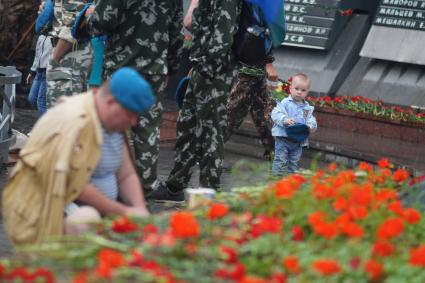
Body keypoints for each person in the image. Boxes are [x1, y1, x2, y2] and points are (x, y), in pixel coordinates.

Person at [2, 67, 155, 246]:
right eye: (131, 114)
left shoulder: (112, 123)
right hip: (47, 213)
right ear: (111, 103)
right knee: (85, 221)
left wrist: (139, 209)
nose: (134, 122)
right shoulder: (73, 121)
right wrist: (123, 212)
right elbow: (74, 185)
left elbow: (126, 175)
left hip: (99, 211)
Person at [87, 0, 183, 196]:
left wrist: (90, 15)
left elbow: (102, 22)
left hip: (121, 67)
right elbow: (176, 34)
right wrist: (171, 67)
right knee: (148, 129)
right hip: (155, 69)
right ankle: (144, 187)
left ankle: (107, 183)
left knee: (111, 126)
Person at [151, 0, 242, 202]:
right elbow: (195, 24)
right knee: (188, 127)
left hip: (214, 72)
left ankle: (209, 191)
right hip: (202, 68)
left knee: (211, 130)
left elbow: (223, 38)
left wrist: (206, 67)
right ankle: (175, 186)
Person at [225, 2, 282, 161]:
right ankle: (208, 153)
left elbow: (264, 28)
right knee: (235, 112)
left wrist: (268, 61)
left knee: (260, 109)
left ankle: (276, 152)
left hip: (251, 59)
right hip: (245, 59)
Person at [44, 0, 93, 107]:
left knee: (62, 114)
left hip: (68, 57)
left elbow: (71, 30)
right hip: (70, 56)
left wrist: (54, 60)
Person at [271, 73, 317, 176]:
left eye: (303, 90)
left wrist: (310, 126)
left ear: (307, 92)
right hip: (283, 138)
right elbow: (275, 113)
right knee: (280, 160)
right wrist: (284, 119)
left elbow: (311, 119)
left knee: (294, 162)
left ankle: (291, 181)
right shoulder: (285, 103)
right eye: (297, 89)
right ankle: (275, 180)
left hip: (298, 141)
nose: (299, 92)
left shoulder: (306, 108)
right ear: (290, 89)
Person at [26, 32, 53, 116]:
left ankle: (43, 126)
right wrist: (31, 71)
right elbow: (37, 56)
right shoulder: (41, 37)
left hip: (48, 72)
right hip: (39, 72)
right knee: (31, 98)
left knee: (41, 101)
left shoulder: (55, 38)